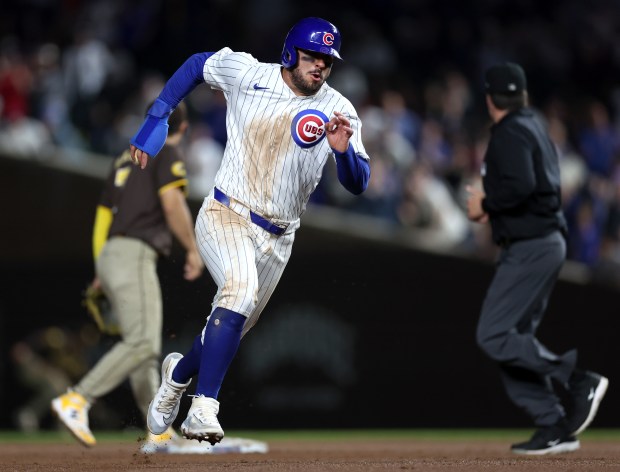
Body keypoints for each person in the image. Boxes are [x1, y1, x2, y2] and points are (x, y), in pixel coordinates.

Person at [128, 17, 370, 445]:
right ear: (290, 52)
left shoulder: (340, 110)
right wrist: (158, 115)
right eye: (313, 56)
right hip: (227, 212)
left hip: (280, 238)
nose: (320, 66)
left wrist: (344, 153)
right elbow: (198, 64)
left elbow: (358, 182)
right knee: (238, 295)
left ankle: (177, 377)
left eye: (327, 60)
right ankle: (205, 407)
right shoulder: (248, 72)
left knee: (231, 325)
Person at [465, 62, 609, 455]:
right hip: (543, 241)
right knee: (513, 340)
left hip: (531, 243)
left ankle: (578, 380)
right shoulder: (533, 125)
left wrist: (485, 204)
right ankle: (553, 424)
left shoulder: (510, 130)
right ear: (523, 95)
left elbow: (523, 186)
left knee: (493, 334)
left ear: (490, 98)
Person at [51, 102, 204, 449]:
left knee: (143, 348)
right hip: (134, 252)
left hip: (111, 254)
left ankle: (160, 431)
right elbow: (171, 201)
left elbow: (103, 215)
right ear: (181, 127)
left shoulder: (125, 156)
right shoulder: (166, 147)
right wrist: (193, 249)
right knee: (142, 344)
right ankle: (78, 399)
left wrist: (100, 266)